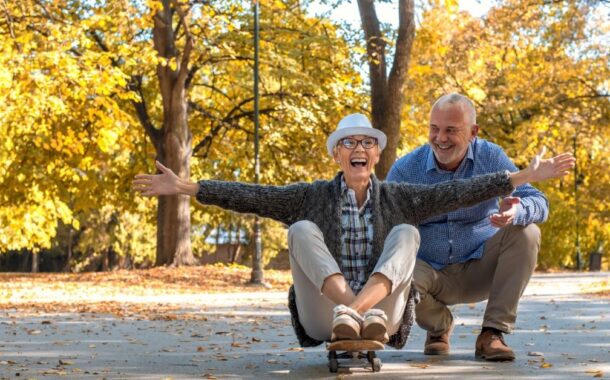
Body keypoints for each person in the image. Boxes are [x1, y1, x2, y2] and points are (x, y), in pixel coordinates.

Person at [133, 113, 573, 350]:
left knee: (406, 233)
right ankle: (350, 310)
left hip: (384, 316)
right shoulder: (310, 196)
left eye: (366, 143)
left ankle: (362, 311)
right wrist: (187, 187)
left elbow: (465, 191)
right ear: (336, 156)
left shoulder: (401, 196)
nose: (358, 149)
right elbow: (251, 195)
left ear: (377, 155)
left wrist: (518, 177)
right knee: (302, 229)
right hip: (325, 314)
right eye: (349, 143)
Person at [387, 93, 555, 361]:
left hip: (481, 265)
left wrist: (517, 211)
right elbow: (385, 226)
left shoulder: (490, 156)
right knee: (390, 273)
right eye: (434, 128)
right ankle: (439, 326)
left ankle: (492, 333)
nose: (440, 138)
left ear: (473, 132)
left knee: (528, 231)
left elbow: (539, 201)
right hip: (428, 270)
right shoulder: (406, 169)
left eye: (451, 130)